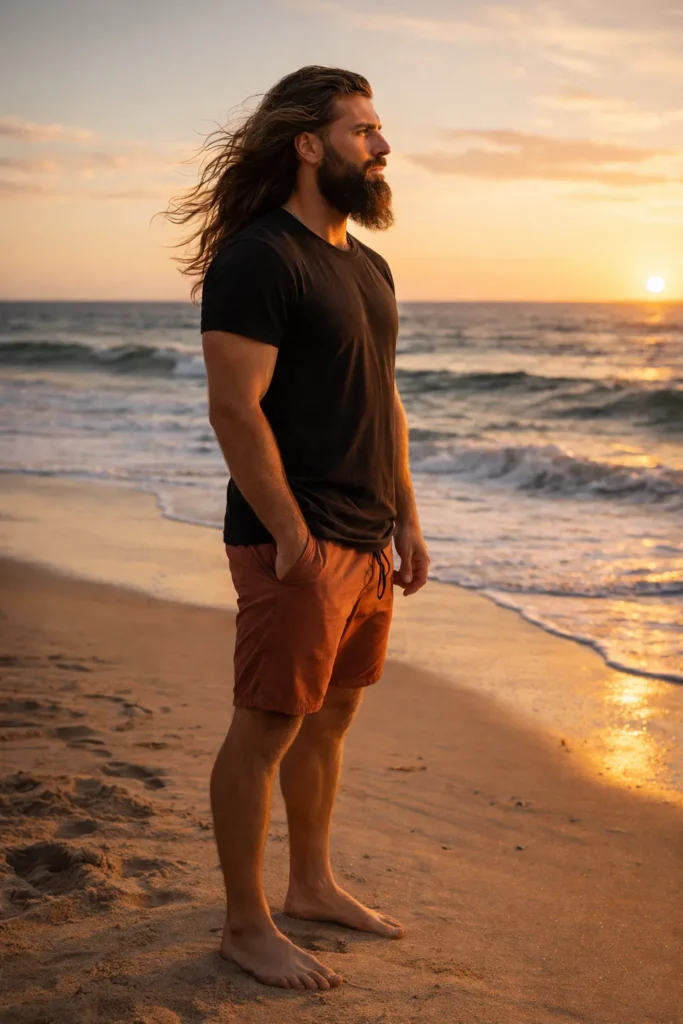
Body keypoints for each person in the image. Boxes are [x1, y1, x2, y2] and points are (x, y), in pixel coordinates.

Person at [171, 65, 430, 991]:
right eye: (363, 129)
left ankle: (312, 884)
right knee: (267, 725)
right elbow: (235, 408)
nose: (382, 144)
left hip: (365, 538)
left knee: (331, 720)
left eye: (378, 128)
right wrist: (287, 536)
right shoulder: (259, 257)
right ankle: (246, 925)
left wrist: (406, 516)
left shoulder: (368, 264)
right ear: (309, 145)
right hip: (299, 540)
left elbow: (384, 399)